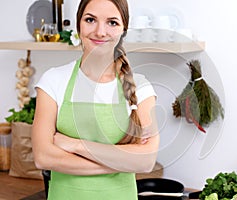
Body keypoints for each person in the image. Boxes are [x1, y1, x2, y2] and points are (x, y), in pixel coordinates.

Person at [31, 0, 159, 199]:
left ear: (124, 29)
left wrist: (76, 145)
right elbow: (42, 157)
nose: (100, 32)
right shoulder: (53, 80)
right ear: (78, 24)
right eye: (90, 19)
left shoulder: (141, 88)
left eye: (112, 22)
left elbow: (146, 161)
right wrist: (120, 161)